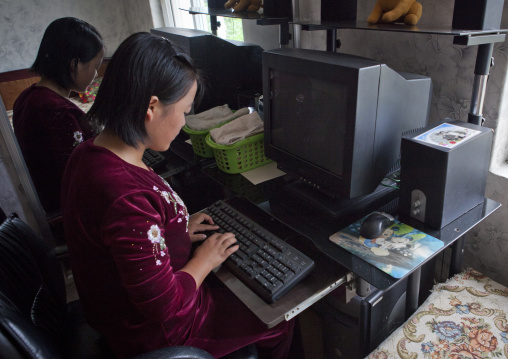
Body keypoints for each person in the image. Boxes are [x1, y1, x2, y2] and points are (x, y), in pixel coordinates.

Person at [60, 32, 294, 359]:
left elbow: (124, 240)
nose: (185, 122)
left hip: (117, 315)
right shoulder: (124, 195)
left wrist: (174, 233)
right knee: (280, 321)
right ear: (151, 107)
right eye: (184, 111)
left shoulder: (89, 153)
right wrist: (204, 260)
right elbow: (165, 307)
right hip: (159, 334)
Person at [13, 17, 104, 214]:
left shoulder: (27, 96)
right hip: (67, 214)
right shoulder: (57, 112)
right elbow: (82, 178)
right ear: (75, 64)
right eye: (95, 66)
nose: (96, 74)